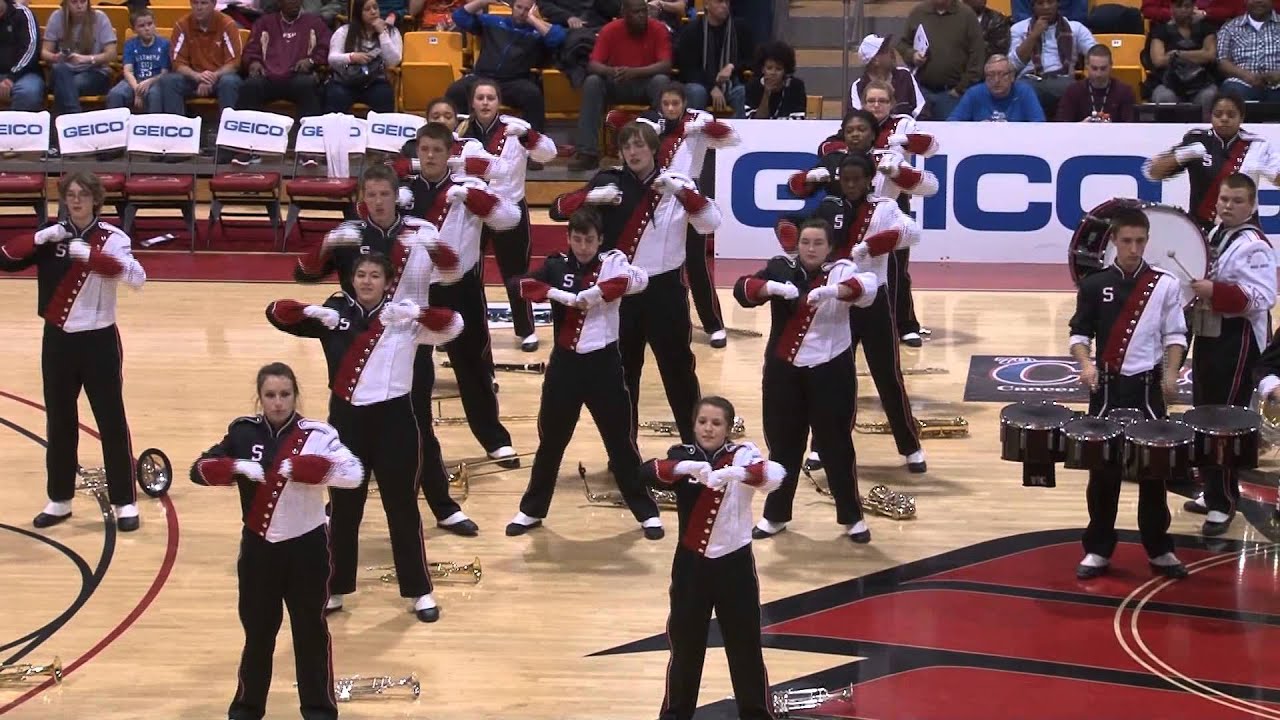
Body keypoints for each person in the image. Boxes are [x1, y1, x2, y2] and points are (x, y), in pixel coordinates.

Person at [268, 252, 464, 621]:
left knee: (402, 507)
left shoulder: (402, 316)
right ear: (351, 278)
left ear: (387, 281)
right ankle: (336, 586)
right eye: (361, 275)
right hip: (347, 423)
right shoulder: (337, 313)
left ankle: (419, 590)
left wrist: (417, 314)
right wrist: (313, 312)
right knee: (344, 509)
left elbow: (454, 325)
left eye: (375, 275)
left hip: (396, 422)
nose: (367, 281)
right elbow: (276, 313)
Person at [296, 163, 482, 535]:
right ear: (362, 197)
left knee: (420, 430)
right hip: (356, 348)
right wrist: (326, 244)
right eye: (372, 194)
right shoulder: (349, 234)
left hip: (410, 346)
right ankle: (341, 505)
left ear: (397, 195)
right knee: (348, 432)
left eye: (385, 194)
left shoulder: (421, 229)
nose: (379, 201)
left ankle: (443, 506)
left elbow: (454, 272)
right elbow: (304, 273)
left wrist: (434, 245)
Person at [190, 362, 364, 720]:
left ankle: (318, 711)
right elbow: (199, 469)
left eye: (285, 394)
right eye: (270, 396)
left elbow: (353, 474)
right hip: (258, 552)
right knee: (258, 635)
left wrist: (308, 468)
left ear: (295, 395)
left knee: (310, 634)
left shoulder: (317, 434)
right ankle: (247, 709)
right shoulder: (242, 432)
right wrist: (235, 468)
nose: (278, 403)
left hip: (306, 549)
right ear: (260, 398)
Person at [550, 121, 721, 443]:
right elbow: (558, 210)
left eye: (639, 144)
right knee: (623, 374)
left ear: (654, 148)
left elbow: (711, 223)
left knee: (679, 371)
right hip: (620, 293)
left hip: (666, 291)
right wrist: (589, 196)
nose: (632, 151)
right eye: (626, 146)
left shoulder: (677, 182)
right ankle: (625, 453)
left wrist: (682, 193)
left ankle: (695, 446)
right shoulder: (608, 181)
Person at [504, 208, 664, 539]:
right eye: (577, 239)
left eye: (589, 240)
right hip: (564, 366)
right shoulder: (555, 265)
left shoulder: (612, 263)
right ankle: (531, 510)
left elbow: (640, 280)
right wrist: (556, 294)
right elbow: (516, 283)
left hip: (604, 365)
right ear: (569, 239)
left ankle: (646, 512)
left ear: (600, 239)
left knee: (620, 443)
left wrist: (597, 293)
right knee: (551, 442)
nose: (583, 246)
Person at [0, 172, 147, 531]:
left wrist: (95, 259)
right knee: (60, 420)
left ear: (96, 199)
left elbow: (137, 278)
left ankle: (125, 501)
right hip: (58, 341)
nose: (76, 200)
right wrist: (39, 236)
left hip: (98, 340)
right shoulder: (52, 237)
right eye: (71, 195)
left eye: (83, 194)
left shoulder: (113, 238)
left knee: (110, 420)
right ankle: (59, 499)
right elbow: (5, 259)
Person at [402, 122, 525, 509]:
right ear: (418, 151)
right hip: (416, 291)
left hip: (462, 289)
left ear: (449, 151)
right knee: (410, 370)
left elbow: (510, 219)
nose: (431, 156)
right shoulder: (406, 193)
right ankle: (409, 441)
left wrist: (477, 202)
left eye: (438, 149)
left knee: (473, 365)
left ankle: (494, 438)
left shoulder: (471, 187)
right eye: (425, 149)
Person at [733, 218, 880, 543]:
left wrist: (835, 292)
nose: (810, 249)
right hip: (784, 372)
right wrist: (769, 288)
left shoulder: (843, 269)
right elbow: (742, 290)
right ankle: (775, 514)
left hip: (830, 371)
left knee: (836, 446)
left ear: (829, 247)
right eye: (805, 243)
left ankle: (852, 517)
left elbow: (868, 289)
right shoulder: (780, 267)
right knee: (783, 446)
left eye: (818, 243)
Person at [638, 395, 784, 720]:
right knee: (685, 649)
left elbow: (775, 476)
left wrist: (737, 474)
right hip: (691, 568)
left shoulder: (743, 455)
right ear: (693, 424)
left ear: (728, 428)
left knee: (745, 648)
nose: (708, 428)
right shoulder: (682, 456)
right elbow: (644, 473)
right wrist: (684, 468)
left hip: (736, 568)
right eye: (702, 421)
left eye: (716, 423)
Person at [1066, 207, 1189, 580]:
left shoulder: (1166, 284)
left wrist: (1170, 373)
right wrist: (1086, 365)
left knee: (1154, 473)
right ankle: (1098, 549)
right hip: (1106, 389)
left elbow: (1175, 335)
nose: (1134, 248)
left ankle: (1159, 548)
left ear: (1147, 240)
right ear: (1114, 242)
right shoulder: (1093, 284)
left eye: (1140, 241)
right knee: (1102, 472)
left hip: (1149, 390)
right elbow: (1079, 335)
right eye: (1126, 241)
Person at [815, 153, 927, 473]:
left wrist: (872, 246)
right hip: (838, 304)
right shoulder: (829, 207)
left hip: (874, 301)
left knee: (888, 377)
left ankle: (910, 446)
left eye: (857, 180)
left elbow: (910, 232)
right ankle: (821, 444)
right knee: (833, 379)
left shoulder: (886, 207)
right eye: (845, 179)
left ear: (869, 181)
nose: (850, 185)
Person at [1183, 173, 1277, 535]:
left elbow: (1264, 296)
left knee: (1224, 419)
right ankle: (1212, 489)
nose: (1228, 206)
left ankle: (1224, 502)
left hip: (1238, 340)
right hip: (1211, 333)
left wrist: (1215, 291)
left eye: (1237, 201)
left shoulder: (1255, 245)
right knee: (1204, 411)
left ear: (1252, 206)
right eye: (1224, 199)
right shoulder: (1214, 234)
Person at [629, 82, 739, 347]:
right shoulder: (649, 121)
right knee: (650, 258)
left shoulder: (698, 119)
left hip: (686, 192)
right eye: (665, 104)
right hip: (653, 192)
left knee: (695, 262)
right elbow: (617, 124)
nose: (669, 109)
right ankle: (644, 322)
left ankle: (713, 324)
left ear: (684, 103)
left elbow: (730, 136)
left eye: (675, 104)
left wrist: (700, 128)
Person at [454, 78, 558, 350]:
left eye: (490, 97)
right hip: (471, 212)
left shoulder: (517, 128)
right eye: (480, 98)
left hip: (510, 209)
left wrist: (529, 137)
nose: (485, 102)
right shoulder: (461, 131)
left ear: (498, 102)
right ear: (472, 102)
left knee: (516, 273)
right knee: (466, 273)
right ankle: (465, 329)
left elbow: (549, 154)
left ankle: (525, 331)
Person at [858, 80, 933, 347]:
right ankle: (858, 326)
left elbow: (928, 146)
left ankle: (905, 325)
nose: (876, 106)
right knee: (856, 265)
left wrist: (900, 141)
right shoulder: (855, 125)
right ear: (863, 102)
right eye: (871, 101)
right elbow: (829, 148)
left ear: (891, 103)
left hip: (894, 205)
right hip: (859, 206)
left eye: (882, 101)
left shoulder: (902, 123)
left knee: (897, 269)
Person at [1143, 92, 1279, 233]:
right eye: (1218, 114)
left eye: (1231, 115)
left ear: (1241, 117)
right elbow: (1153, 173)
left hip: (1245, 228)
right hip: (1201, 228)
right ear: (1210, 116)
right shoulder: (1196, 139)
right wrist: (1182, 155)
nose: (1224, 119)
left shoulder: (1257, 145)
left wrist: (1267, 170)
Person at [447, 0, 566, 132]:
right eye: (519, 7)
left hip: (513, 82)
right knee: (456, 90)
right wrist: (483, 1)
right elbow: (459, 16)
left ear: (534, 9)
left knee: (533, 95)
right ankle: (456, 137)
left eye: (527, 9)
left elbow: (558, 39)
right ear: (512, 7)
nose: (522, 12)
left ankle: (532, 144)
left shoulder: (537, 31)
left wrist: (533, 20)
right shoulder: (494, 22)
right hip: (482, 78)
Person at [154, 0, 245, 121]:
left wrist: (213, 76)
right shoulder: (182, 25)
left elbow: (234, 63)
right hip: (193, 78)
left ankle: (227, 133)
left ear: (214, 4)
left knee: (230, 81)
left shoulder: (227, 24)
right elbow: (177, 62)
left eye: (204, 3)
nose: (199, 7)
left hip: (220, 77)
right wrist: (197, 76)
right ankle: (178, 129)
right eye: (195, 3)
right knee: (169, 81)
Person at [325, 0, 402, 114]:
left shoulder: (391, 32)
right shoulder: (344, 31)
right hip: (346, 81)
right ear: (358, 13)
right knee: (335, 95)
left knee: (384, 95)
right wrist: (351, 57)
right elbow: (332, 58)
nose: (373, 12)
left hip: (375, 82)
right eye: (367, 9)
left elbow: (393, 61)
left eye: (375, 8)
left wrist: (382, 33)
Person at [41, 0, 117, 115]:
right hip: (63, 71)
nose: (79, 6)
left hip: (94, 72)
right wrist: (55, 57)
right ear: (66, 4)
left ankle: (66, 121)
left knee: (66, 86)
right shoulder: (57, 17)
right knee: (60, 71)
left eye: (83, 1)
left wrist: (85, 59)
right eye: (74, 2)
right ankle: (76, 122)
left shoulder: (100, 18)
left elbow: (112, 54)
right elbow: (44, 52)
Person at [107, 9, 170, 112]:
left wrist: (149, 82)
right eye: (142, 26)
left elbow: (165, 73)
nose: (147, 28)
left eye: (150, 24)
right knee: (115, 93)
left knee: (154, 94)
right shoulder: (130, 44)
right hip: (134, 81)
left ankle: (153, 125)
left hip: (155, 81)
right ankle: (118, 126)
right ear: (134, 29)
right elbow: (128, 71)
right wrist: (137, 89)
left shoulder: (164, 44)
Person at [743, 40, 808, 119]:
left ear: (785, 70)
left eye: (778, 69)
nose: (773, 73)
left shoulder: (796, 86)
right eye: (769, 68)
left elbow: (798, 120)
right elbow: (754, 122)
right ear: (762, 69)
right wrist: (766, 93)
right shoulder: (753, 86)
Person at [0, 0, 44, 111]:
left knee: (28, 92)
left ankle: (14, 126)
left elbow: (31, 49)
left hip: (24, 74)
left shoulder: (22, 14)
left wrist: (11, 78)